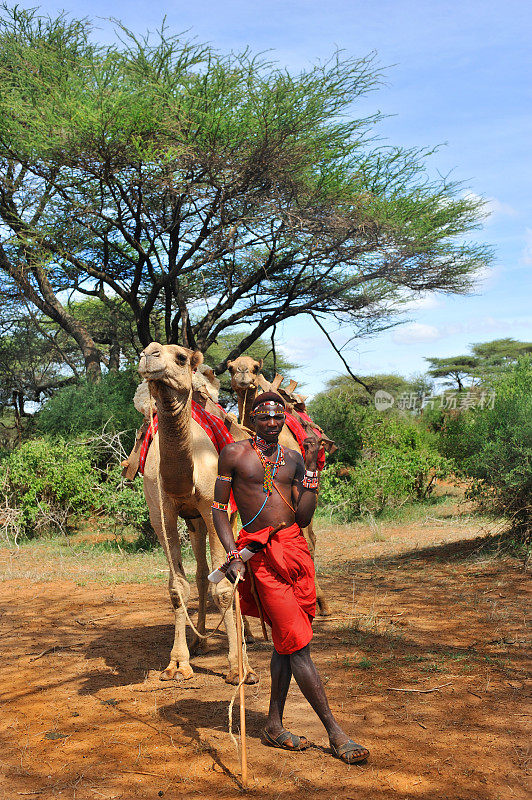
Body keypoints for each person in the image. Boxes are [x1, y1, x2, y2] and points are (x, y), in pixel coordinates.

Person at [212, 391, 369, 764]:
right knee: (298, 644)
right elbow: (219, 508)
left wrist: (312, 467)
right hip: (261, 558)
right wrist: (231, 552)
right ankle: (335, 733)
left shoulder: (294, 459)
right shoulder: (233, 454)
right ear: (252, 419)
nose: (271, 423)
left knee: (287, 642)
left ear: (284, 420)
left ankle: (273, 725)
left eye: (277, 418)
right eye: (264, 418)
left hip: (296, 552)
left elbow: (304, 517)